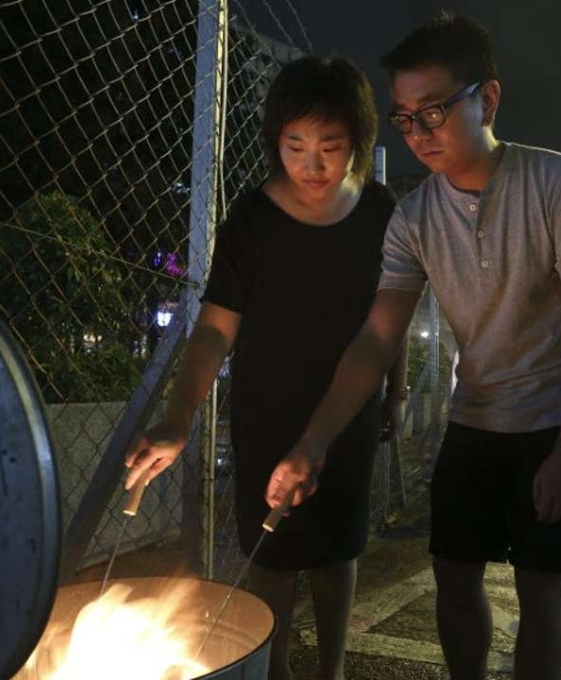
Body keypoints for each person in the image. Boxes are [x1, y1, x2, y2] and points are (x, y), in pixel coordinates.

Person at [266, 13, 561, 680]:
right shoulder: (415, 217)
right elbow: (377, 337)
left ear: (486, 99)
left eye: (433, 112)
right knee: (454, 574)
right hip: (476, 416)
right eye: (404, 118)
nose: (418, 135)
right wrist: (311, 443)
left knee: (541, 584)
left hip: (559, 418)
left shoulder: (557, 183)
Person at [123, 56, 404, 680]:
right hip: (266, 411)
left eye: (330, 147)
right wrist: (177, 419)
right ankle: (269, 670)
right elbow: (216, 329)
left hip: (347, 413)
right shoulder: (251, 219)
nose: (312, 164)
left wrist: (397, 393)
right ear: (275, 142)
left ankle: (330, 668)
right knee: (269, 555)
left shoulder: (383, 213)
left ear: (357, 142)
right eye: (294, 145)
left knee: (337, 551)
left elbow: (387, 330)